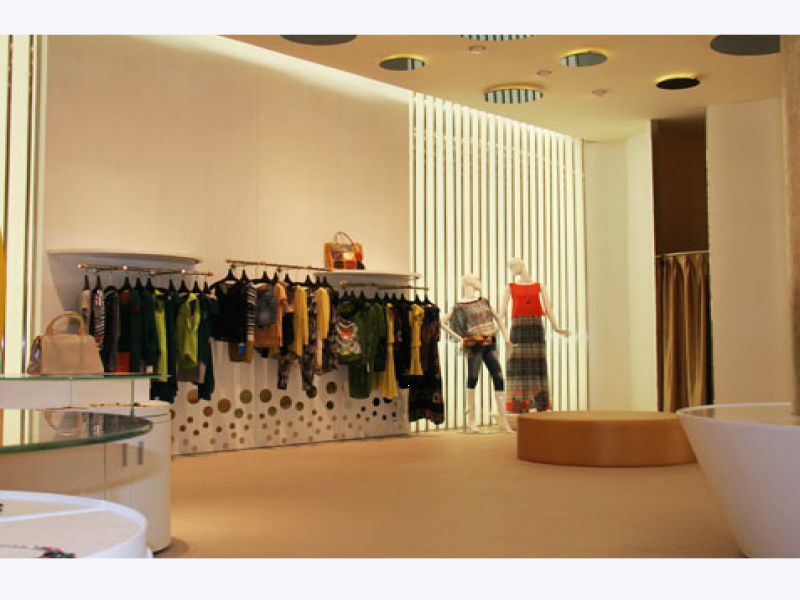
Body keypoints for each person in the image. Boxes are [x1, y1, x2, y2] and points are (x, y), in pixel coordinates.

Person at [441, 274, 513, 433]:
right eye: (476, 279)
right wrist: (460, 339)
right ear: (469, 282)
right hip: (474, 344)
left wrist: (507, 337)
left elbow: (498, 318)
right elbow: (442, 322)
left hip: (490, 342)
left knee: (499, 377)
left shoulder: (484, 301)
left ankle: (503, 419)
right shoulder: (459, 306)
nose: (479, 282)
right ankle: (471, 420)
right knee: (473, 378)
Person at [500, 258, 569, 413]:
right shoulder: (510, 287)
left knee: (537, 366)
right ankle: (519, 404)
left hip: (536, 328)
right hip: (518, 329)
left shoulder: (539, 286)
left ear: (522, 265)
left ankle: (540, 403)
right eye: (510, 267)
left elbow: (548, 309)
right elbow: (501, 313)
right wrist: (504, 335)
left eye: (513, 265)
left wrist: (557, 327)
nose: (511, 269)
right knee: (518, 366)